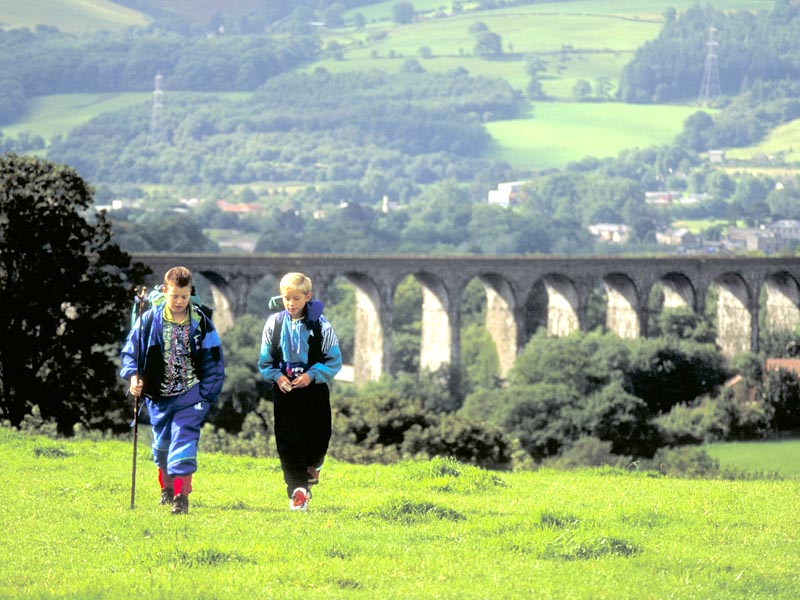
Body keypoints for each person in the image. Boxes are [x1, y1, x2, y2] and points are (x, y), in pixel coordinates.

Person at [120, 266, 225, 515]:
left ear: (191, 294)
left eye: (184, 297)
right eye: (174, 296)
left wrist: (205, 395)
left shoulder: (201, 323)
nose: (179, 301)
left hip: (191, 396)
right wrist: (134, 377)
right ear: (165, 291)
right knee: (162, 446)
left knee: (184, 442)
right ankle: (166, 489)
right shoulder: (149, 320)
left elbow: (214, 360)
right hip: (158, 397)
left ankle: (181, 497)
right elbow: (131, 352)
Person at [257, 272, 342, 511]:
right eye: (286, 298)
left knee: (319, 437)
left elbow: (334, 360)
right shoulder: (273, 324)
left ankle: (313, 466)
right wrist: (277, 377)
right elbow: (265, 362)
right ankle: (297, 491)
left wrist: (311, 375)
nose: (291, 303)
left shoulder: (321, 325)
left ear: (308, 297)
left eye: (296, 298)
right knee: (288, 441)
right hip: (285, 392)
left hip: (314, 391)